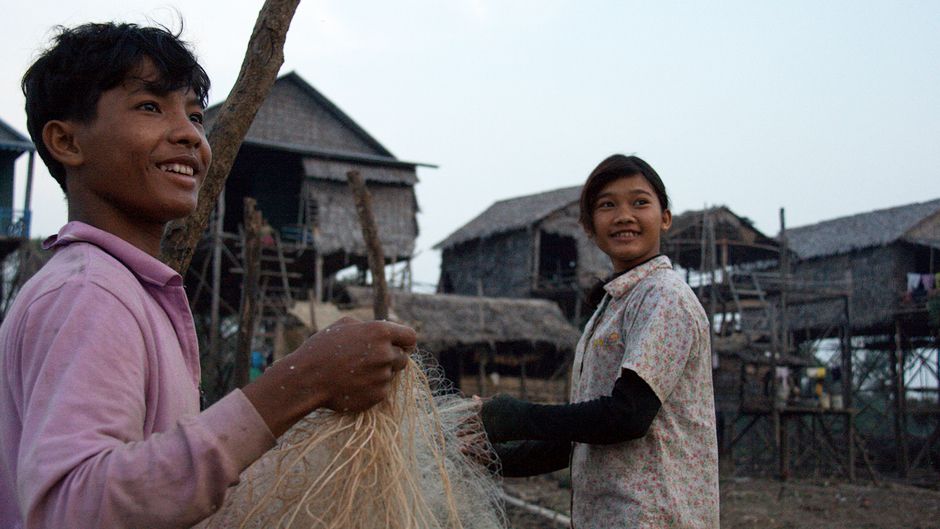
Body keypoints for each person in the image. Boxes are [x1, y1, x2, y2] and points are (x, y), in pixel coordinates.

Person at [0, 22, 416, 529]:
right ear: (66, 141)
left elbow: (165, 479)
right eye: (150, 107)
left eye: (195, 116)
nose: (190, 135)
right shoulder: (90, 293)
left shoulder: (130, 292)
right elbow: (74, 507)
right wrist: (297, 382)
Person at [480, 155, 719, 528]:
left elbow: (627, 417)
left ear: (665, 217)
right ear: (589, 227)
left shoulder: (663, 296)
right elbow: (584, 438)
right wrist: (490, 457)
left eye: (640, 202)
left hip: (652, 517)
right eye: (607, 205)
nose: (624, 215)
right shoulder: (615, 304)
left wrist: (516, 416)